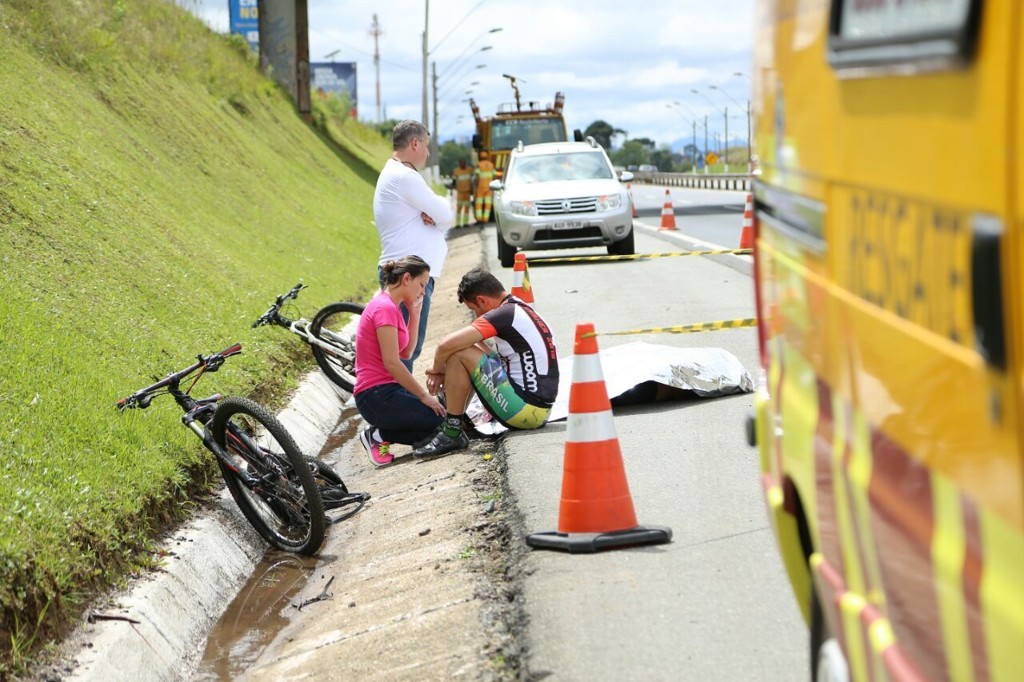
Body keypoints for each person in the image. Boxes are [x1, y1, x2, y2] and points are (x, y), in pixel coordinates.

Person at [412, 268, 559, 458]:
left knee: (458, 352)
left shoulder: (503, 314)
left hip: (525, 412)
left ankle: (452, 432)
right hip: (539, 410)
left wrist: (437, 370)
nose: (476, 315)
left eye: (474, 310)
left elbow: (445, 345)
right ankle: (457, 421)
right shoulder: (517, 307)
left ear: (482, 300)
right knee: (467, 346)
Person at [373, 120, 454, 371]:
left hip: (407, 274)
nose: (428, 153)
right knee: (405, 351)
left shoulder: (398, 173)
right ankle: (400, 395)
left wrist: (437, 212)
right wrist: (437, 214)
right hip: (407, 276)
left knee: (406, 349)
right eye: (426, 146)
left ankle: (400, 393)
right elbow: (447, 216)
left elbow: (442, 213)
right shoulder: (404, 177)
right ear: (415, 143)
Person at [353, 256, 446, 466]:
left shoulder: (392, 307)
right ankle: (378, 435)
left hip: (389, 391)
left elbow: (406, 354)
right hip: (376, 396)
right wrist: (423, 396)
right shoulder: (384, 308)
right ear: (406, 278)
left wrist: (414, 314)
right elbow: (392, 363)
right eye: (421, 284)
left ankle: (385, 433)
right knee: (441, 423)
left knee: (442, 425)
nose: (423, 292)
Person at [473, 151, 496, 224]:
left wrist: (475, 186)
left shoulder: (479, 165)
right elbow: (494, 176)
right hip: (489, 187)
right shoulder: (491, 165)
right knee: (488, 203)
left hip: (480, 187)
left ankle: (479, 219)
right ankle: (485, 219)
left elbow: (477, 177)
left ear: (480, 157)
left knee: (479, 204)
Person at [452, 157, 474, 227]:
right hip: (460, 193)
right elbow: (454, 182)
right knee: (459, 208)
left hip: (467, 192)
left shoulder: (469, 170)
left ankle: (465, 223)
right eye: (461, 163)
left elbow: (473, 179)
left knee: (467, 208)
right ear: (459, 164)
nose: (463, 164)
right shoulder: (456, 171)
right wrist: (453, 189)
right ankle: (458, 223)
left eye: (464, 163)